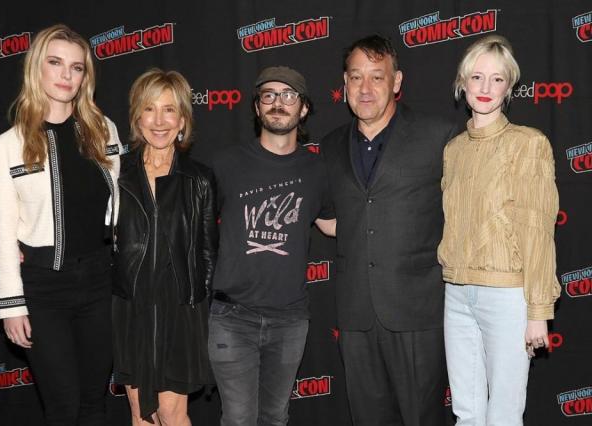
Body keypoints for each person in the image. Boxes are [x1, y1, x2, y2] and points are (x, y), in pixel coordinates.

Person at [0, 24, 122, 425]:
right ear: (37, 68)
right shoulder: (7, 145)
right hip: (44, 290)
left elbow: (120, 206)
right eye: (55, 63)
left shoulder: (104, 130)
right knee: (62, 407)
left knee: (94, 403)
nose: (66, 75)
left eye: (77, 67)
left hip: (100, 283)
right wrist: (11, 305)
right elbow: (2, 231)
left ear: (85, 77)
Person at [320, 34, 456, 426]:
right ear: (344, 83)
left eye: (376, 77)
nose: (365, 88)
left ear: (396, 82)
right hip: (356, 314)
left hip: (418, 313)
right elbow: (332, 219)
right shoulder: (330, 146)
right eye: (356, 77)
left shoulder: (439, 136)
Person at [438, 34, 560, 425]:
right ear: (462, 83)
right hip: (456, 294)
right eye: (476, 77)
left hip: (507, 296)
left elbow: (538, 231)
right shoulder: (454, 150)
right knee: (466, 412)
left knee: (504, 414)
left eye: (497, 79)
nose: (485, 87)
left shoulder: (529, 144)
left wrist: (538, 310)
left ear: (509, 87)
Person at [208, 66, 336, 426]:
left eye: (288, 95)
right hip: (232, 317)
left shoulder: (317, 169)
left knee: (275, 417)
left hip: (289, 318)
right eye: (269, 95)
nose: (278, 102)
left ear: (304, 108)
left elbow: (331, 224)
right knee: (238, 419)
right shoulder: (226, 164)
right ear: (257, 106)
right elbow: (196, 227)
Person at [111, 68, 216, 426]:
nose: (159, 121)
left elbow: (208, 254)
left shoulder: (199, 179)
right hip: (131, 308)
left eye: (169, 109)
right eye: (149, 109)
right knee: (140, 414)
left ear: (182, 119)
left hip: (180, 311)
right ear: (136, 117)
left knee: (172, 413)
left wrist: (201, 312)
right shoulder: (117, 174)